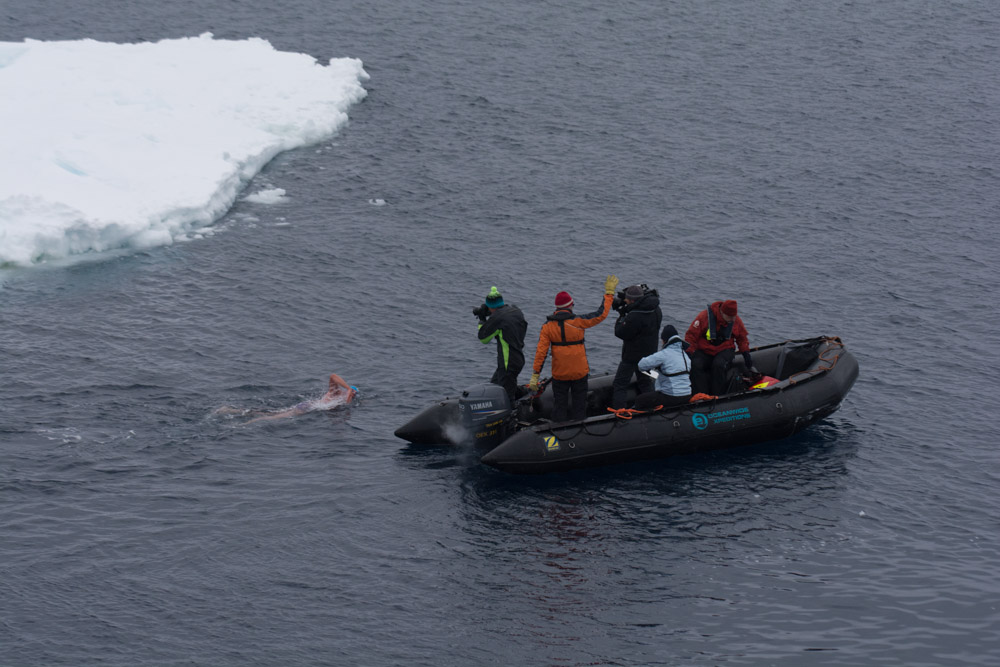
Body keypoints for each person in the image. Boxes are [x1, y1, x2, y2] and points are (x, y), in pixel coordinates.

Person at [529, 275, 619, 422]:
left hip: (560, 374)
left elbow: (541, 353)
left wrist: (535, 375)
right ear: (570, 306)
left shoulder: (547, 327)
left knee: (560, 406)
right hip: (579, 372)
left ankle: (559, 433)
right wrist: (609, 294)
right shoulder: (578, 322)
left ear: (557, 308)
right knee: (579, 406)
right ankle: (579, 433)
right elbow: (601, 314)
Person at [684, 299, 752, 395]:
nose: (733, 319)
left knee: (719, 365)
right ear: (722, 312)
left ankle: (718, 395)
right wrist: (689, 352)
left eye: (734, 316)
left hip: (725, 349)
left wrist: (746, 353)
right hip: (705, 350)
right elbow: (691, 336)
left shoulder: (736, 321)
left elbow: (742, 338)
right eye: (730, 317)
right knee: (696, 365)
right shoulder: (704, 317)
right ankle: (701, 395)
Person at [227, 374, 357, 424]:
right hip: (306, 409)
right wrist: (348, 389)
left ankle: (232, 411)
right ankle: (248, 423)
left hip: (306, 405)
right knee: (272, 417)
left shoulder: (341, 398)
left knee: (270, 412)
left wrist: (349, 393)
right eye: (351, 392)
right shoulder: (337, 394)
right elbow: (333, 376)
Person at [610, 283, 662, 408]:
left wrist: (622, 316)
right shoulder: (656, 309)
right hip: (649, 353)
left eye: (627, 299)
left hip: (632, 356)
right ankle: (652, 407)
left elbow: (620, 332)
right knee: (645, 381)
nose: (625, 301)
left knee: (620, 384)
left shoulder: (635, 315)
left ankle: (619, 412)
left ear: (633, 300)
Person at [474, 286, 528, 402]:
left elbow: (483, 339)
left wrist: (482, 319)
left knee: (505, 397)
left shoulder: (498, 318)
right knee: (495, 386)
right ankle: (526, 393)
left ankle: (511, 415)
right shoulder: (516, 311)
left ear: (490, 307)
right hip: (518, 359)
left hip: (507, 363)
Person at [634, 324, 692, 410]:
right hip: (687, 395)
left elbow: (641, 365)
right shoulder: (685, 356)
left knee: (640, 400)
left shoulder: (663, 354)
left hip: (671, 396)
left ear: (665, 340)